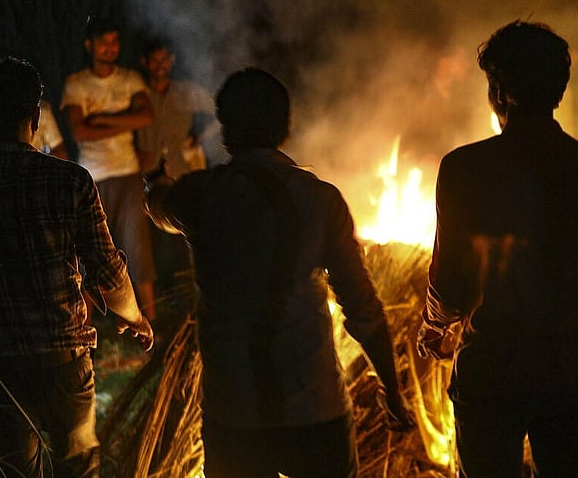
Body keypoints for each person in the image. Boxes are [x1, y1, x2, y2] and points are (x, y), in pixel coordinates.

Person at [145, 67, 414, 477]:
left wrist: (155, 184)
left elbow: (161, 207)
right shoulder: (321, 200)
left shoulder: (202, 197)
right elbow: (363, 310)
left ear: (226, 131)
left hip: (235, 414)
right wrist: (393, 394)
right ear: (285, 128)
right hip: (315, 411)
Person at [417, 21, 578, 477]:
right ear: (559, 92)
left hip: (490, 375)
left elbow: (450, 285)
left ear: (499, 91)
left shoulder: (462, 170)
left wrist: (433, 328)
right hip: (568, 373)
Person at [0, 56, 153, 478]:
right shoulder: (69, 181)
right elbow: (108, 273)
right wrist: (136, 319)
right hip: (63, 366)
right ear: (35, 116)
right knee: (76, 469)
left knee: (9, 473)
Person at [61, 17, 157, 320]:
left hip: (127, 171)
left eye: (114, 42)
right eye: (103, 42)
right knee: (91, 250)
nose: (110, 48)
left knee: (137, 246)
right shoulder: (77, 83)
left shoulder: (129, 79)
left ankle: (150, 318)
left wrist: (101, 120)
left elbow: (146, 116)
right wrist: (123, 120)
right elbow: (80, 131)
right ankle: (85, 324)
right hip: (92, 175)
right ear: (90, 45)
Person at [137, 39, 221, 289]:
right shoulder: (137, 94)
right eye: (155, 60)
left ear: (171, 61)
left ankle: (192, 286)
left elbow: (218, 110)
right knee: (153, 234)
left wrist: (200, 137)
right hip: (149, 174)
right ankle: (166, 289)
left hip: (183, 171)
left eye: (165, 60)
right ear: (145, 62)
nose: (160, 65)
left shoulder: (185, 92)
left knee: (187, 231)